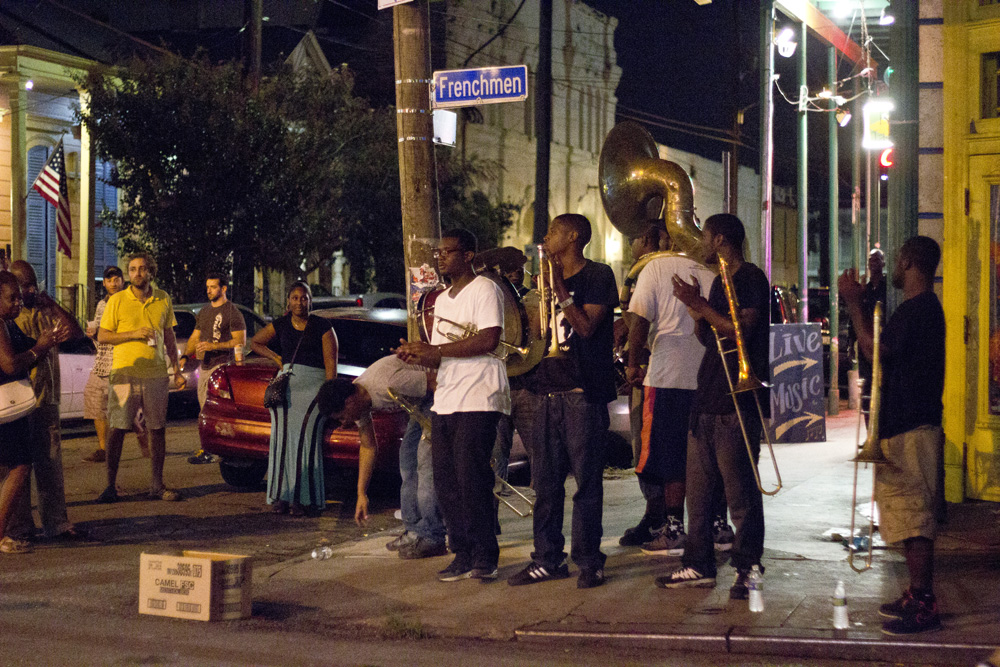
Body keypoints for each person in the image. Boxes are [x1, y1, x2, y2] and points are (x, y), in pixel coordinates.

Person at [839, 236, 945, 635]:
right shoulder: (918, 310)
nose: (896, 269)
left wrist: (852, 303)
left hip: (911, 427)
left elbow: (872, 351)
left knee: (914, 517)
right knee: (903, 513)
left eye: (899, 262)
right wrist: (865, 304)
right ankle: (916, 595)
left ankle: (924, 602)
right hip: (904, 423)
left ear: (908, 263)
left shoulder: (918, 310)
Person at [660, 213, 770, 600]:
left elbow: (742, 329)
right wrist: (695, 310)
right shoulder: (720, 281)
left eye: (705, 235)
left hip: (734, 402)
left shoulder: (751, 278)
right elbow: (712, 337)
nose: (701, 242)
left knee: (740, 492)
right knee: (699, 493)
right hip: (706, 396)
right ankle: (698, 563)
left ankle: (748, 567)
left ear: (720, 238)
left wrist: (699, 304)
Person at [507, 213, 618, 590]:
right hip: (545, 394)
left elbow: (586, 328)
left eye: (553, 230)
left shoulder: (598, 275)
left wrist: (559, 288)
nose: (546, 236)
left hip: (582, 394)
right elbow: (536, 336)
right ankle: (547, 559)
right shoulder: (543, 282)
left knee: (586, 482)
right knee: (545, 484)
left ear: (572, 237)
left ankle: (589, 560)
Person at [396, 228, 510, 582]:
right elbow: (441, 355)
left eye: (448, 252)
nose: (441, 258)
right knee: (445, 481)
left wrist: (437, 351)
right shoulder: (441, 299)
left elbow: (490, 338)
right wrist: (417, 354)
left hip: (479, 395)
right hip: (446, 399)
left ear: (468, 255)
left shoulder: (485, 289)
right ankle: (461, 552)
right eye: (439, 253)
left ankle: (484, 556)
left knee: (471, 477)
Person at [620, 232, 717, 556]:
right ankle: (718, 525)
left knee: (670, 458)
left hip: (667, 375)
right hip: (706, 374)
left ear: (663, 237)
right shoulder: (712, 270)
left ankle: (674, 529)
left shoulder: (656, 269)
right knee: (709, 458)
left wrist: (633, 364)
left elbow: (639, 323)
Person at [320, 356, 446, 559]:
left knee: (425, 467)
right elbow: (368, 447)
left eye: (342, 416)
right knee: (407, 463)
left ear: (349, 402)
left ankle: (433, 537)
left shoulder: (387, 382)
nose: (344, 423)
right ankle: (415, 531)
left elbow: (436, 380)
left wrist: (442, 423)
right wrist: (362, 493)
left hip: (435, 397)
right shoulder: (359, 399)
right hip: (419, 403)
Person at [96, 252, 186, 503]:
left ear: (150, 272)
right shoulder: (117, 300)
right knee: (117, 429)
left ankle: (157, 485)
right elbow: (103, 336)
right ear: (129, 273)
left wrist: (176, 369)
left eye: (142, 269)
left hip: (156, 373)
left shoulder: (163, 298)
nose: (137, 273)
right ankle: (110, 486)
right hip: (124, 373)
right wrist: (133, 333)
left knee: (157, 429)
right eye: (133, 269)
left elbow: (168, 335)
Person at [7, 260, 85, 542]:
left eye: (32, 284)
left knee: (50, 464)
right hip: (18, 403)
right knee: (18, 468)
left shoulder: (43, 310)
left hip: (46, 399)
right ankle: (20, 528)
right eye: (23, 285)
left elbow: (76, 334)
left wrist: (52, 305)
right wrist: (41, 344)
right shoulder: (9, 317)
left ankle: (57, 523)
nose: (29, 291)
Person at [251, 281, 337, 517]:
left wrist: (329, 395)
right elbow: (255, 342)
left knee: (306, 442)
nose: (300, 302)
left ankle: (303, 498)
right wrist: (277, 359)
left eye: (305, 298)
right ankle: (281, 496)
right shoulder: (280, 324)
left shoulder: (322, 326)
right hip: (286, 390)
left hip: (314, 389)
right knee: (282, 442)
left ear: (311, 301)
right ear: (288, 301)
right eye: (296, 298)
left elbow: (331, 364)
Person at [0, 271, 63, 553]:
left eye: (18, 297)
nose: (17, 303)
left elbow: (30, 348)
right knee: (20, 467)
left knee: (16, 468)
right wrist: (39, 349)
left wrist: (44, 342)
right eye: (11, 298)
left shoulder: (8, 325)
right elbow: (10, 365)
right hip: (5, 409)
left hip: (10, 409)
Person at [82, 266, 150, 463]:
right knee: (95, 402)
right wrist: (93, 334)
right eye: (109, 280)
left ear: (123, 281)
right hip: (101, 362)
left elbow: (133, 331)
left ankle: (145, 443)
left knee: (124, 411)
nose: (113, 283)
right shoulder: (101, 305)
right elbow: (100, 333)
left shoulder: (130, 302)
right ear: (104, 283)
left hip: (121, 362)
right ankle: (104, 448)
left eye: (116, 279)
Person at [181, 272, 246, 408]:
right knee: (204, 409)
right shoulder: (204, 312)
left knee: (220, 409)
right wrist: (185, 356)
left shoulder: (232, 312)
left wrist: (213, 346)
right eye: (207, 287)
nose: (209, 291)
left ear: (223, 289)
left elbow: (240, 341)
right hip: (204, 367)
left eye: (213, 287)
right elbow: (195, 337)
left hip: (222, 367)